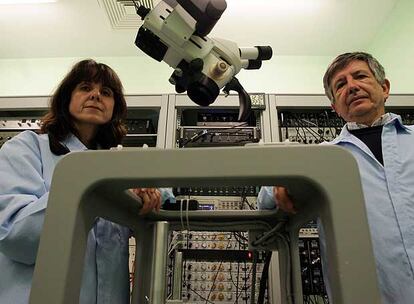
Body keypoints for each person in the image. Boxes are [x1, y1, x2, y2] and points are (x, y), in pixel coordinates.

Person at [0, 59, 174, 304]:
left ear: (115, 107)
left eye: (106, 92)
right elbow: (15, 237)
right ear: (66, 98)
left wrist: (149, 189)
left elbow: (165, 198)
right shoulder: (27, 148)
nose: (95, 96)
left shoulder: (117, 163)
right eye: (85, 88)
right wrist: (91, 189)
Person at [258, 52, 414, 303]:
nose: (352, 87)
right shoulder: (323, 158)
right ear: (335, 108)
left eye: (360, 76)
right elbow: (265, 201)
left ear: (384, 88)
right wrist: (281, 180)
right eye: (340, 85)